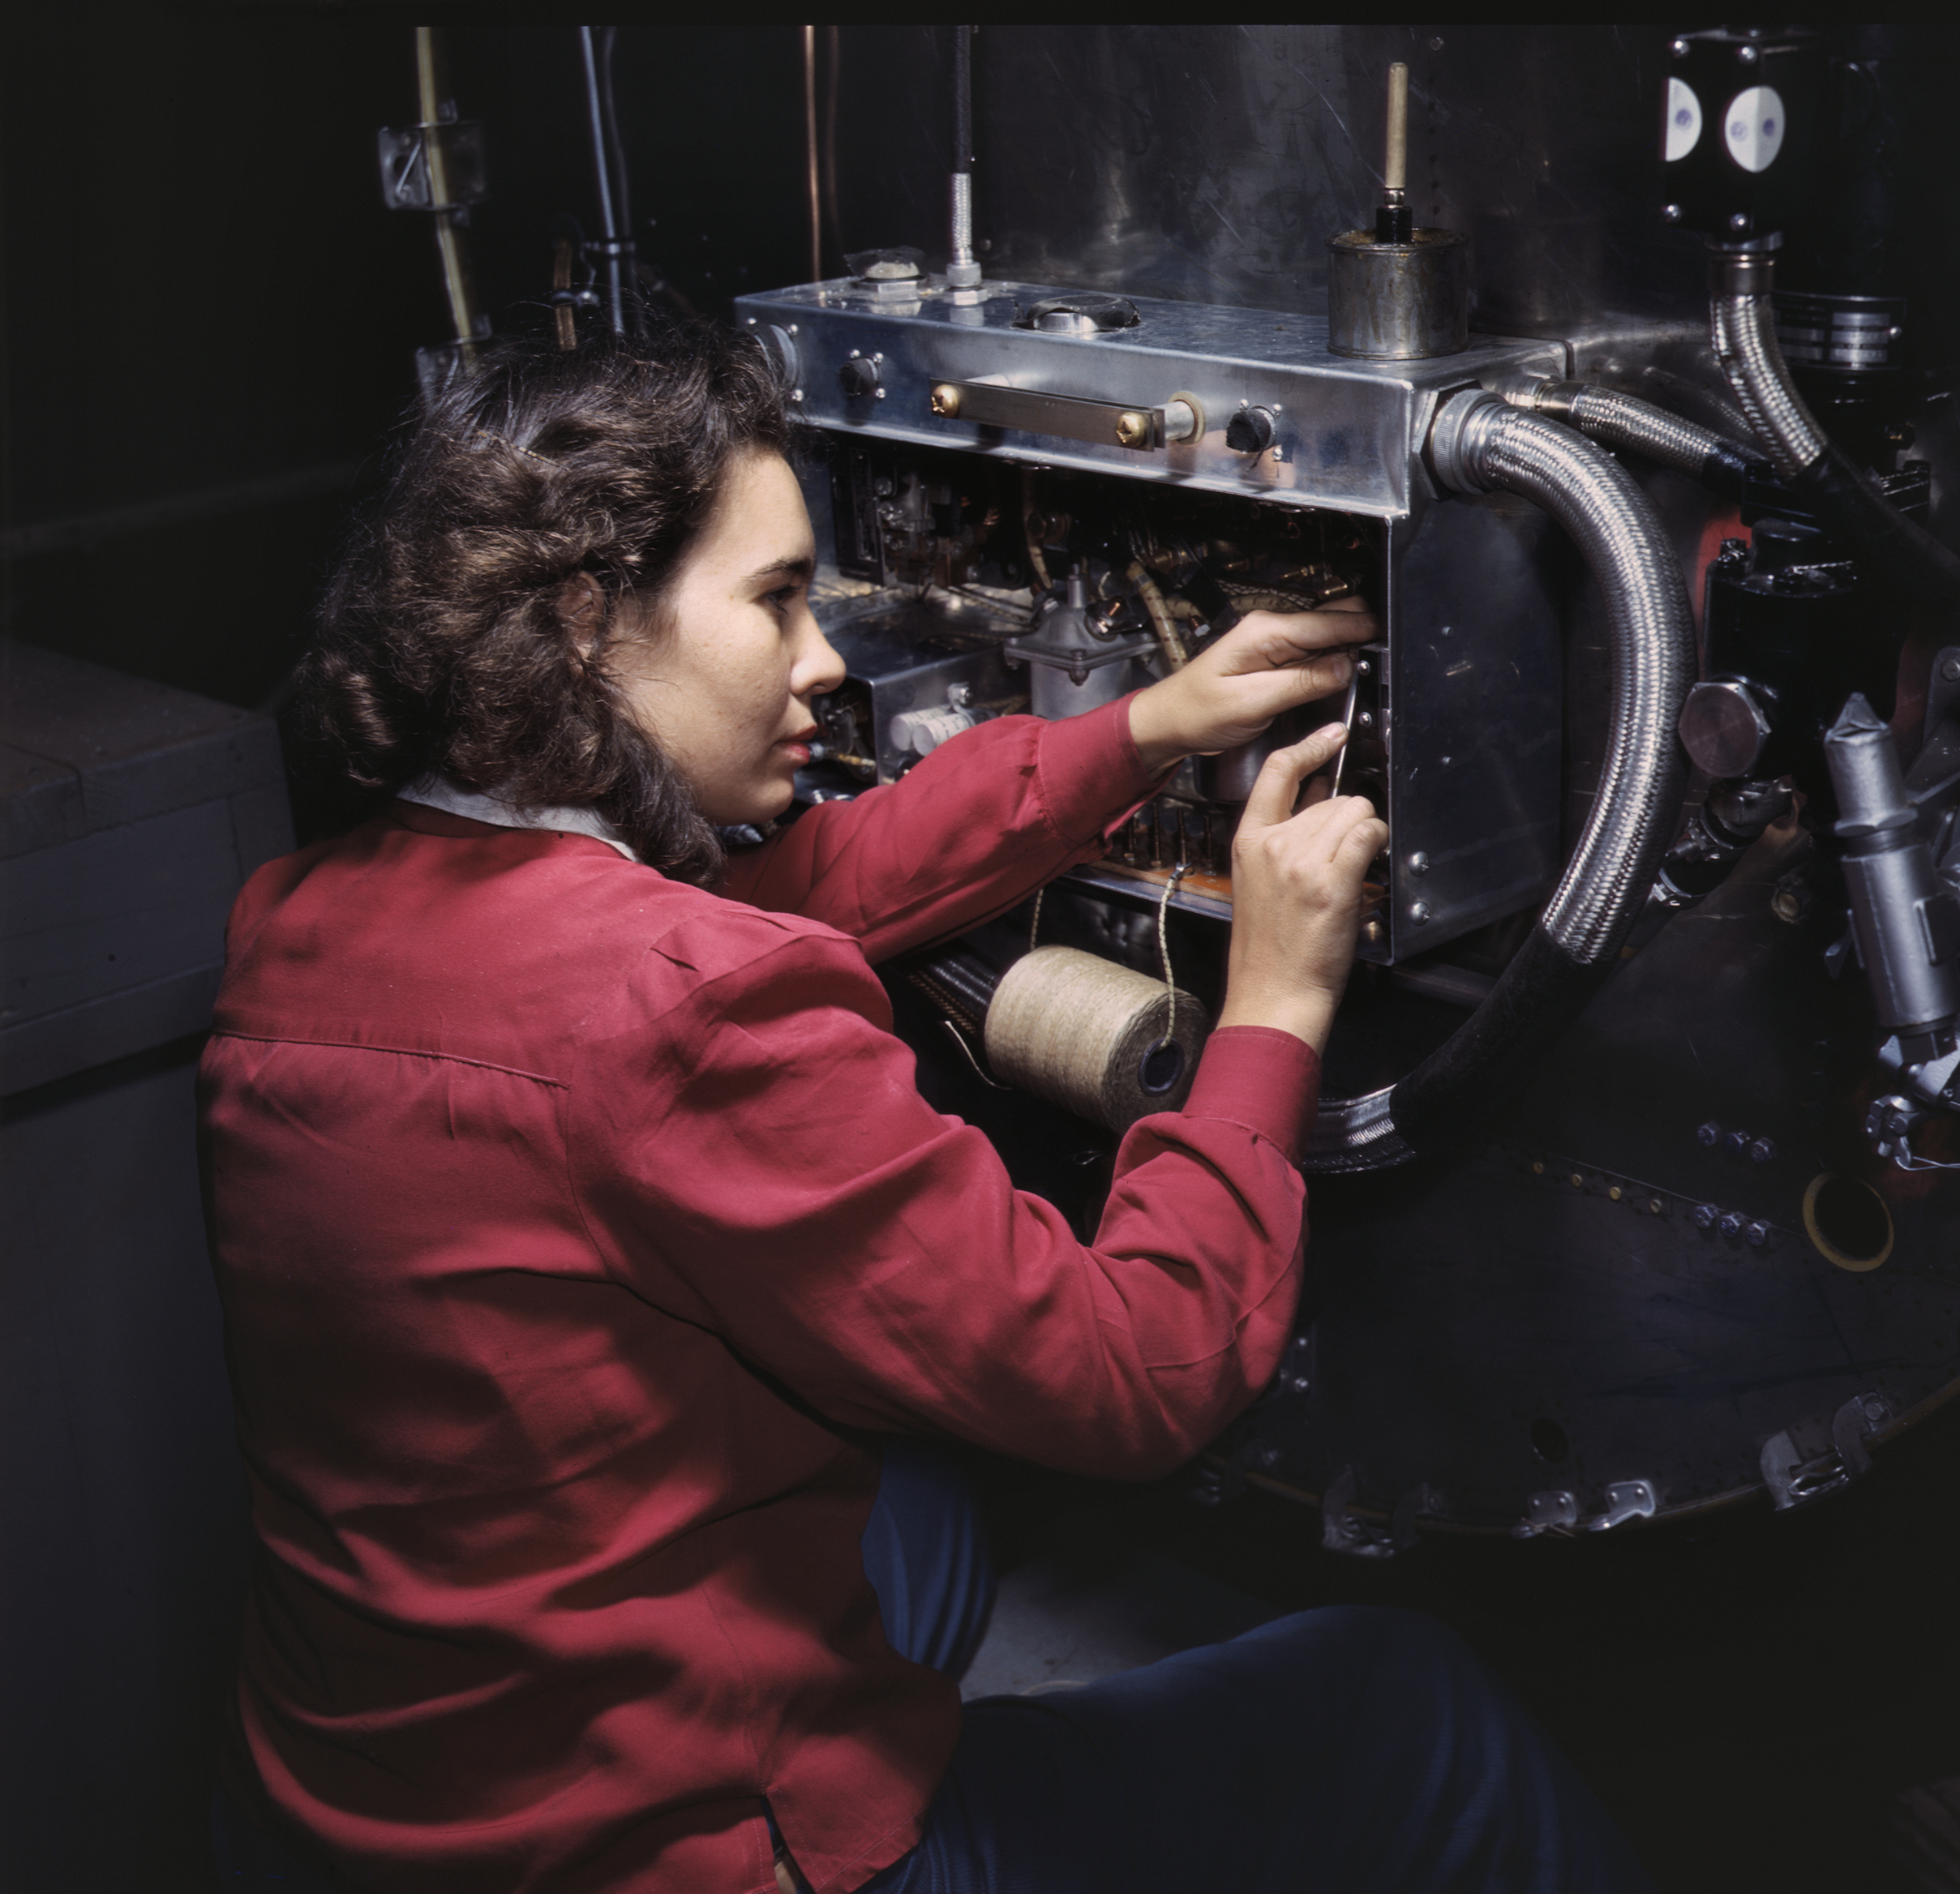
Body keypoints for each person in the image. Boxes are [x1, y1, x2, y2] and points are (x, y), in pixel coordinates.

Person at [203, 325, 1646, 1893]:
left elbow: (782, 903)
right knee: (1410, 1707)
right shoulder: (688, 1009)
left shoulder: (298, 921)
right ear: (583, 624)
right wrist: (1275, 1004)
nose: (825, 657)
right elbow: (1138, 1371)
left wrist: (1147, 727)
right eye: (774, 600)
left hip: (360, 1812)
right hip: (670, 1861)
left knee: (927, 1512)